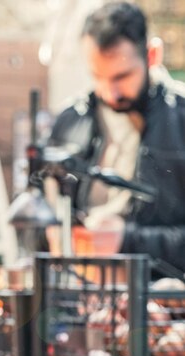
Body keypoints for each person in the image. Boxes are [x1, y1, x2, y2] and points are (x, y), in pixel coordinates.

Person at [46, 1, 185, 276]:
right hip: (80, 299)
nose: (110, 93)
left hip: (166, 303)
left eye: (122, 76)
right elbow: (37, 215)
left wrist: (129, 239)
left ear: (152, 55)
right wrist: (53, 233)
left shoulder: (181, 120)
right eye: (98, 76)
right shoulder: (70, 121)